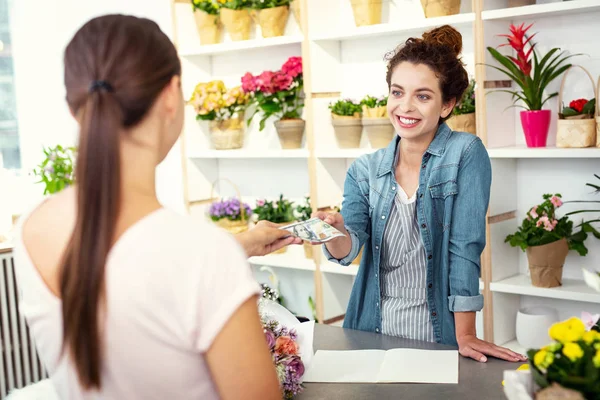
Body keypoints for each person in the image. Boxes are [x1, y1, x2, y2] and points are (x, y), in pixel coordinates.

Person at [12, 15, 288, 399]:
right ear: (171, 95)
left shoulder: (30, 230)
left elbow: (123, 268)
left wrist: (237, 245)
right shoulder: (205, 257)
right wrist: (225, 255)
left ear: (74, 108)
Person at [314, 25, 527, 364]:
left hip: (437, 332)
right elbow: (347, 249)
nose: (405, 107)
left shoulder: (465, 153)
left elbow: (465, 248)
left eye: (423, 96)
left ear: (447, 105)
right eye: (397, 92)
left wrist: (466, 334)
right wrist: (335, 231)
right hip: (369, 329)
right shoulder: (364, 169)